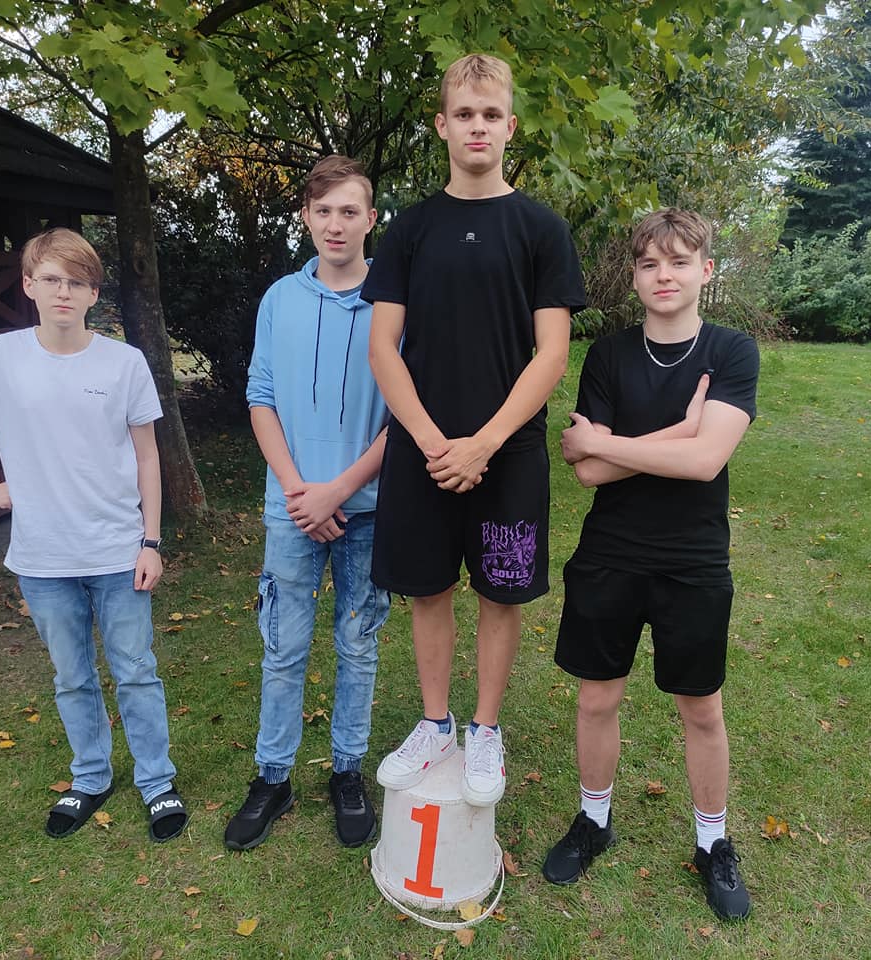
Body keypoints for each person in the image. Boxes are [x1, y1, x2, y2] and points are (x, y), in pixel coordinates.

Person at [363, 54, 586, 807]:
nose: (478, 127)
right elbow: (382, 349)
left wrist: (484, 443)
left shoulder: (541, 229)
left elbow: (551, 354)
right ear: (442, 125)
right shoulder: (410, 230)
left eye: (491, 115)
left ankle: (485, 729)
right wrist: (434, 444)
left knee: (500, 592)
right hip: (421, 450)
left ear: (510, 126)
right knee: (427, 590)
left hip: (508, 452)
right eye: (464, 114)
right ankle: (436, 724)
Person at [0, 228, 188, 842]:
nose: (63, 291)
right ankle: (90, 777)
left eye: (76, 281)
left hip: (119, 551)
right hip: (43, 559)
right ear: (29, 286)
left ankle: (157, 782)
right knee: (72, 677)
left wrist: (151, 541)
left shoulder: (124, 362)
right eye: (50, 279)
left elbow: (147, 456)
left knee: (136, 672)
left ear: (94, 292)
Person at [543, 208, 758, 920]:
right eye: (649, 264)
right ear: (634, 276)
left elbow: (704, 463)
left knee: (701, 707)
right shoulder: (607, 356)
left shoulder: (731, 351)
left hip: (694, 558)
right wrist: (680, 430)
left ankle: (713, 841)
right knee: (596, 698)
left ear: (706, 270)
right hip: (611, 552)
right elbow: (586, 473)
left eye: (678, 261)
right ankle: (593, 821)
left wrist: (626, 445)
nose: (664, 275)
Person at [224, 155, 390, 852]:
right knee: (284, 647)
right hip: (291, 508)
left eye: (349, 211)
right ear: (305, 217)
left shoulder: (393, 300)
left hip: (367, 507)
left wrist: (339, 490)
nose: (335, 224)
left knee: (358, 644)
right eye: (323, 211)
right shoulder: (279, 299)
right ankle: (273, 777)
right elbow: (260, 397)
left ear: (371, 219)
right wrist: (300, 490)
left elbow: (404, 415)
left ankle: (347, 771)